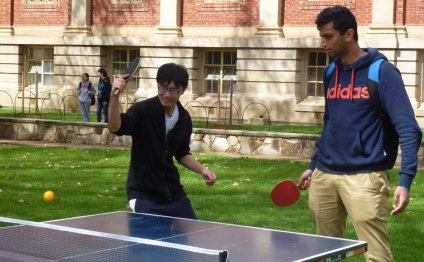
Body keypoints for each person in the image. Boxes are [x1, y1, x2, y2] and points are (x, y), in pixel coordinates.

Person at [296, 6, 422, 262]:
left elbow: (409, 128)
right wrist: (313, 165)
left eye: (328, 36)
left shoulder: (382, 73)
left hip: (365, 177)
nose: (323, 43)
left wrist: (405, 179)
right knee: (324, 254)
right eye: (321, 36)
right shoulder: (330, 72)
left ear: (349, 34)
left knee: (377, 256)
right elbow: (330, 123)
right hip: (325, 176)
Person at [108, 63, 217, 219]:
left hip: (174, 193)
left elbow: (182, 154)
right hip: (144, 195)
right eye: (162, 88)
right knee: (147, 242)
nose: (166, 94)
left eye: (173, 90)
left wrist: (202, 170)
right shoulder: (142, 110)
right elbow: (115, 127)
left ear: (183, 90)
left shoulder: (184, 118)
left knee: (190, 236)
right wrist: (114, 96)